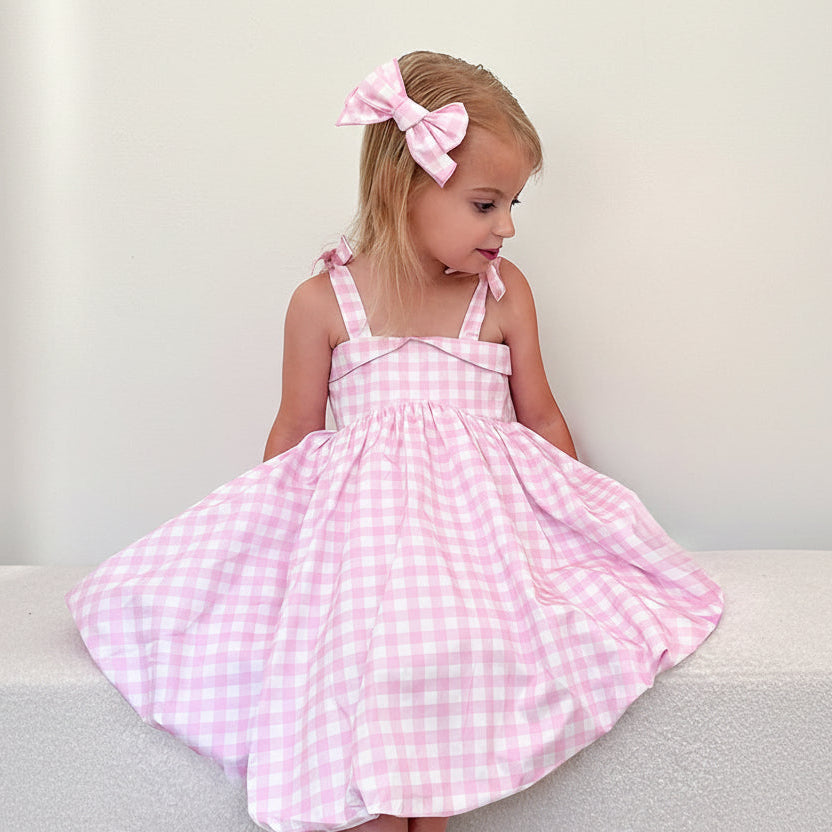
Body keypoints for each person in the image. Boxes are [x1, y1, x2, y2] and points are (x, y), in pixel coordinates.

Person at [68, 52, 723, 832]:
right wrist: (266, 543)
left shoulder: (503, 297)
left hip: (474, 548)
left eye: (513, 204)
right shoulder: (323, 302)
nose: (507, 226)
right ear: (404, 188)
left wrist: (577, 523)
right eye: (486, 203)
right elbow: (295, 430)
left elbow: (541, 419)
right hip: (365, 547)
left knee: (439, 680)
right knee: (360, 681)